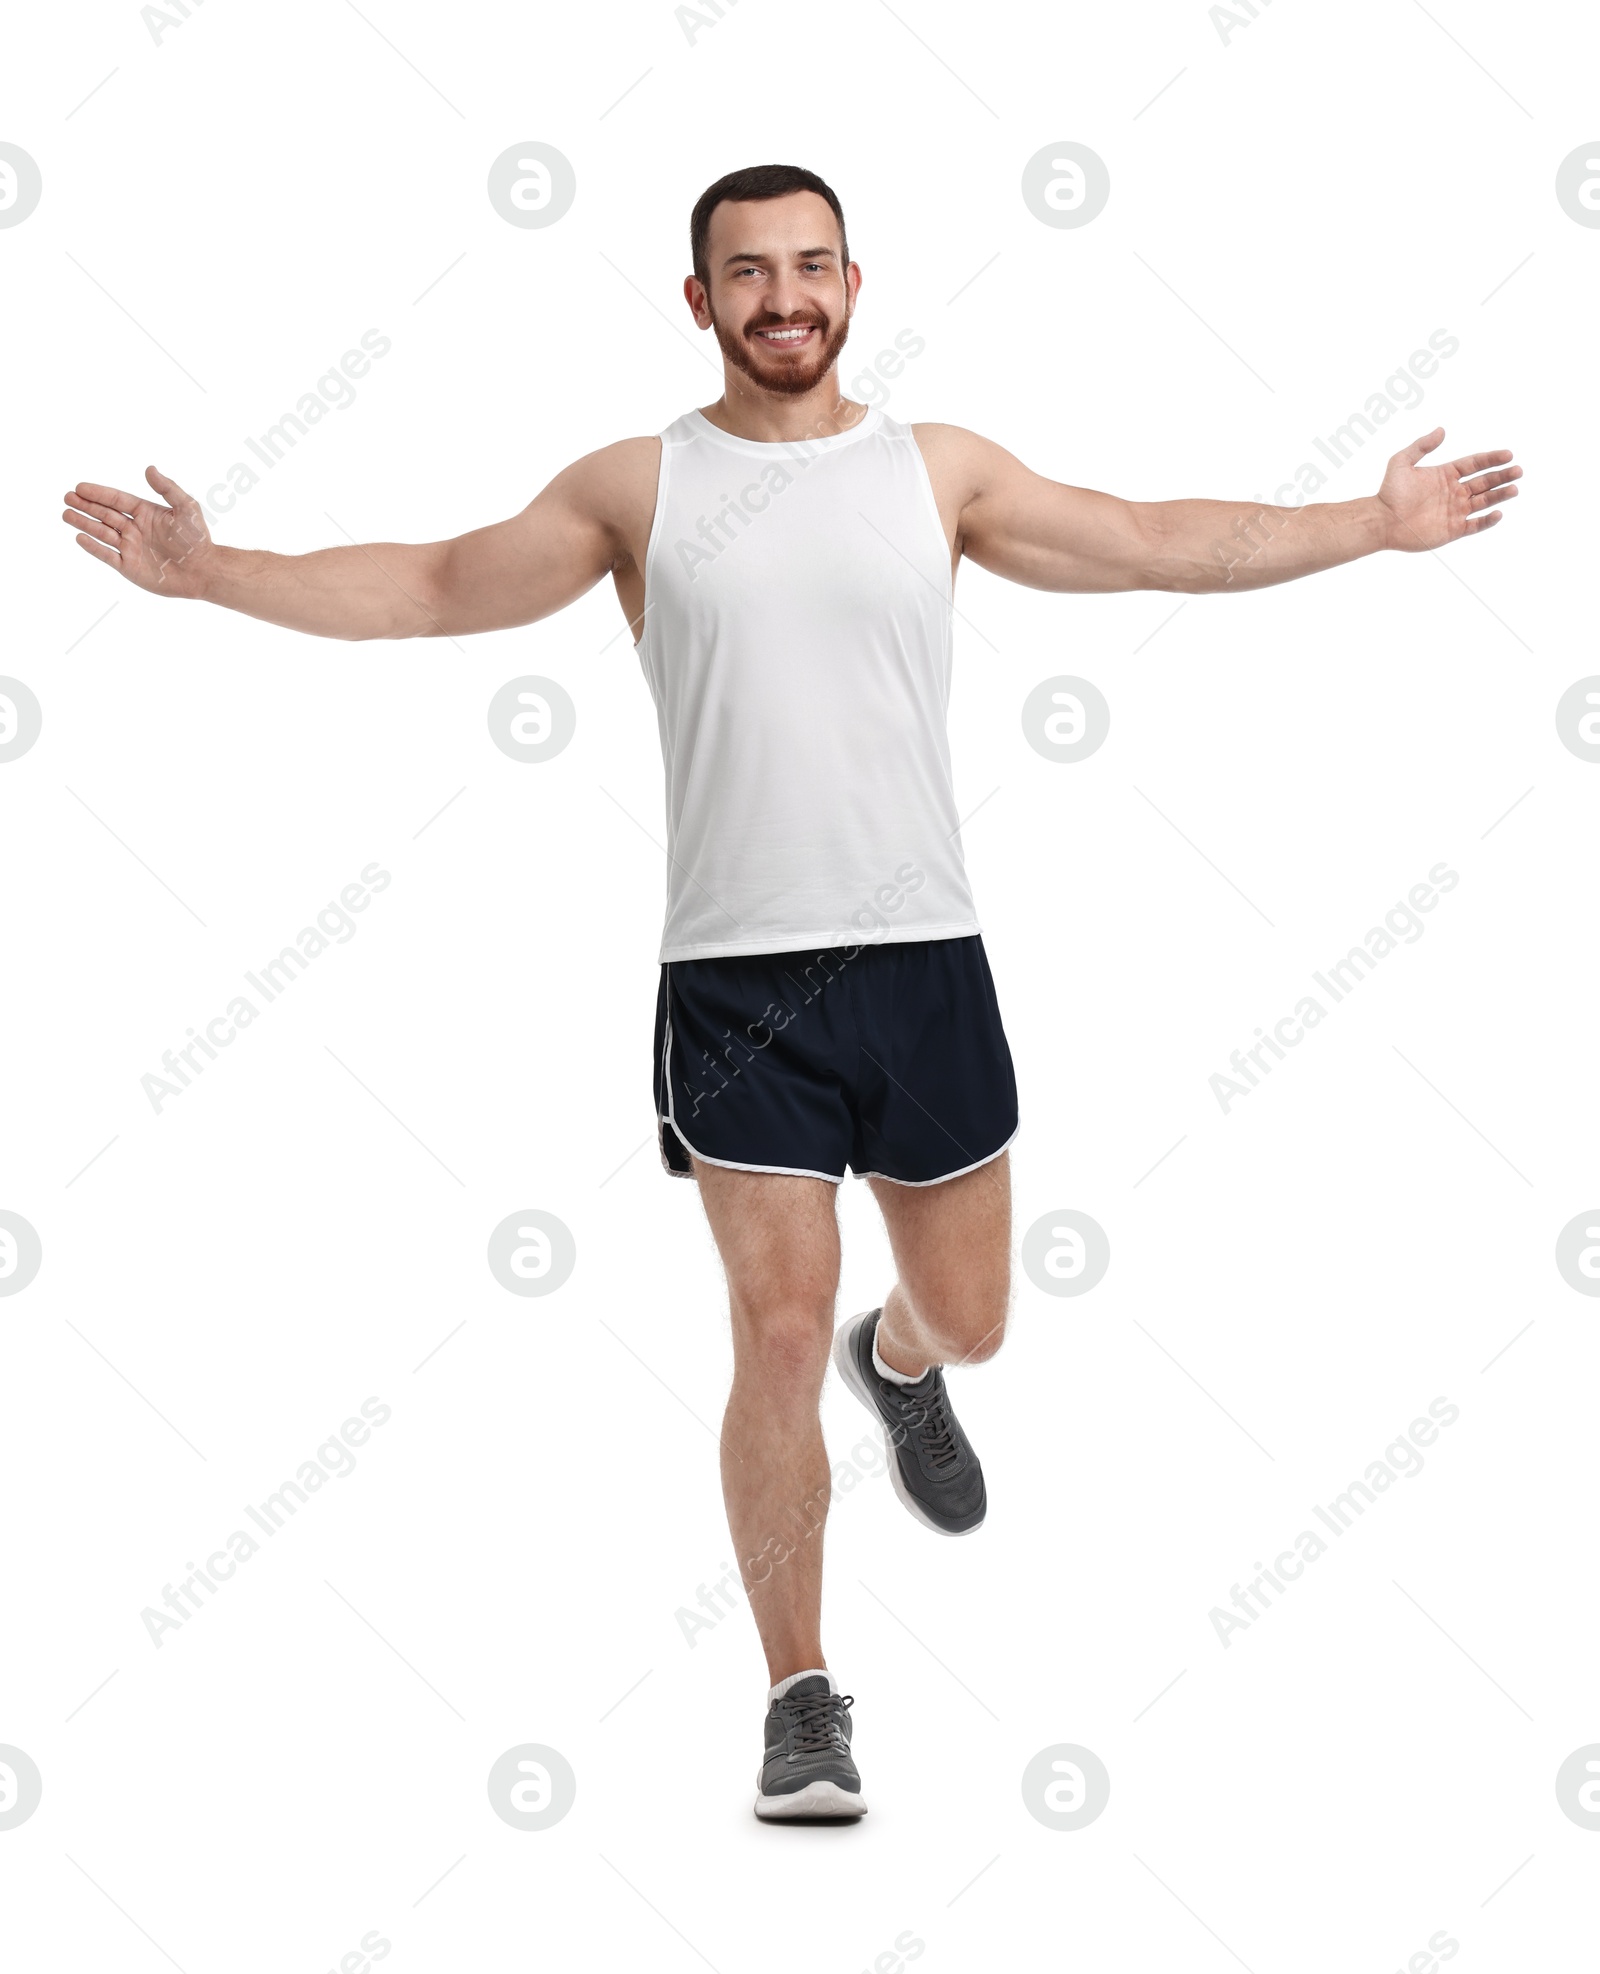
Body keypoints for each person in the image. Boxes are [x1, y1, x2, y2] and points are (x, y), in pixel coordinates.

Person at [62, 160, 1521, 1824]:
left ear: (852, 282)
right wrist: (217, 569)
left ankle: (898, 1363)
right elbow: (431, 586)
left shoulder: (939, 469)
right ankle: (801, 1696)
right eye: (747, 270)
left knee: (975, 1312)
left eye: (811, 264)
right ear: (700, 300)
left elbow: (1148, 544)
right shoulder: (640, 485)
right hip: (734, 982)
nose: (783, 295)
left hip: (926, 967)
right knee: (762, 1328)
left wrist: (1371, 525)